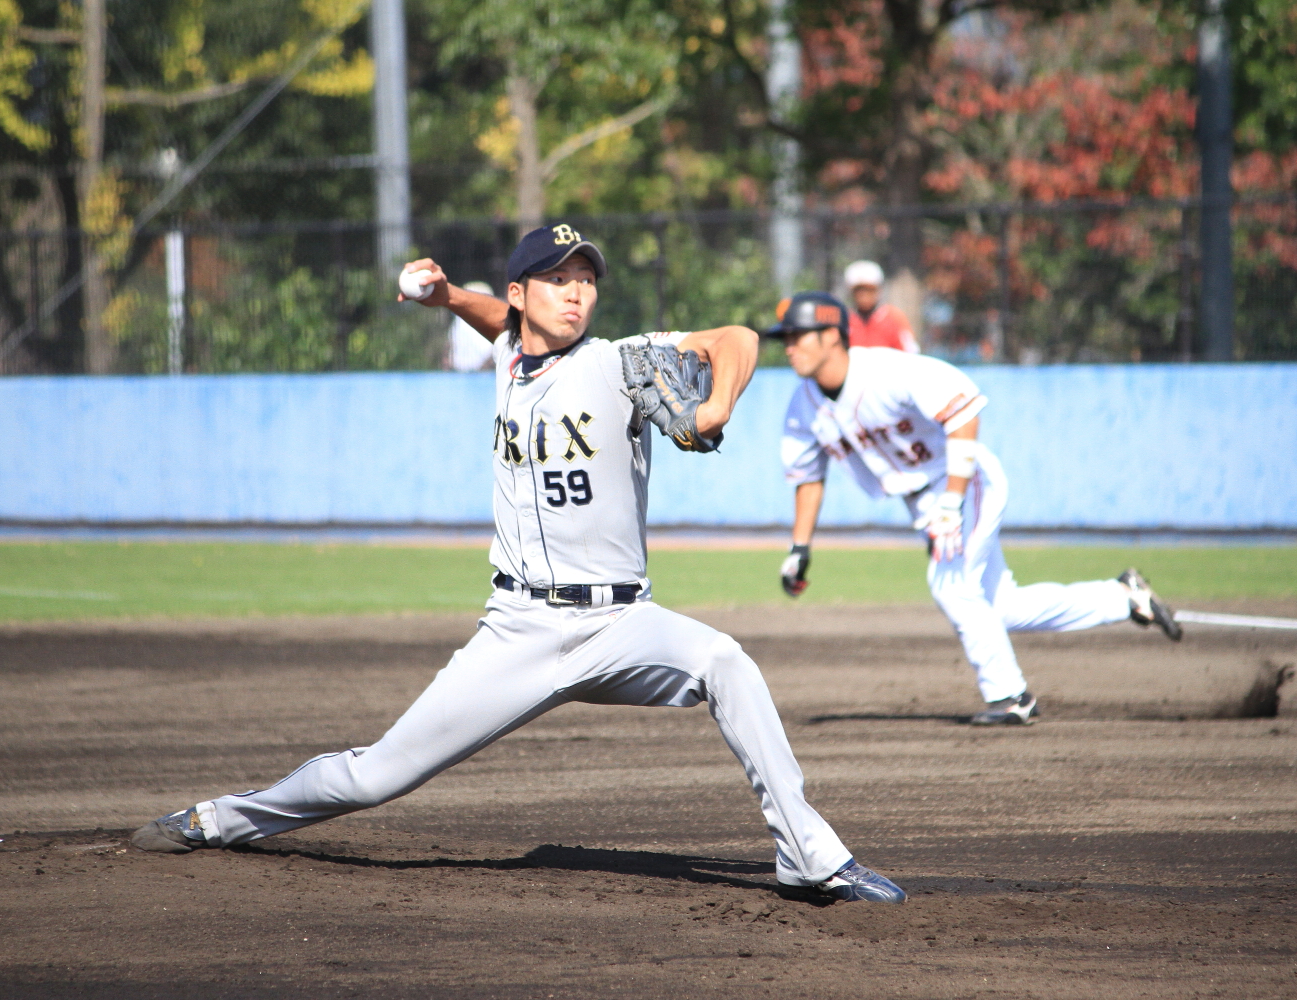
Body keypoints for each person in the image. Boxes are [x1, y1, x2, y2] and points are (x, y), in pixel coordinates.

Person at [130, 226, 906, 904]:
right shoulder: (507, 353)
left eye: (587, 280)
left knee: (726, 663)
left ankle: (809, 856)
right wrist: (444, 297)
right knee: (375, 777)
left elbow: (734, 337)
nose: (577, 294)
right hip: (519, 628)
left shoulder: (616, 363)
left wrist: (715, 406)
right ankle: (216, 819)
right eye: (559, 279)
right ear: (522, 292)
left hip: (619, 622)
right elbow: (495, 323)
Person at [768, 291, 1183, 726]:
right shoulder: (803, 406)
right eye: (786, 338)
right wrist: (800, 548)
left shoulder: (887, 371)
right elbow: (807, 477)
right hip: (925, 501)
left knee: (950, 585)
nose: (789, 345)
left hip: (965, 481)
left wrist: (951, 500)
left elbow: (964, 410)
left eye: (798, 335)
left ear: (833, 335)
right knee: (999, 607)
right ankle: (1122, 597)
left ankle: (1011, 699)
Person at [843, 260, 918, 353]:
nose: (864, 295)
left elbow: (910, 352)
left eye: (869, 289)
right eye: (859, 290)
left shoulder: (894, 317)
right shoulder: (845, 319)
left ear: (878, 290)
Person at [445, 280, 497, 371]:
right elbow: (450, 346)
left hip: (485, 376)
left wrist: (484, 369)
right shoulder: (459, 321)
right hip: (459, 374)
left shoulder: (491, 321)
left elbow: (496, 349)